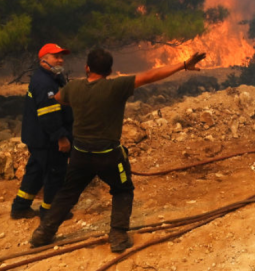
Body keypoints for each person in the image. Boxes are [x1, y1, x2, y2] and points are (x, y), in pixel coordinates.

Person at [30, 47, 206, 252]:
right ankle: (118, 235)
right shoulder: (116, 87)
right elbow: (150, 76)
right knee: (123, 190)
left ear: (87, 68)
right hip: (108, 155)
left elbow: (59, 97)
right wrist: (183, 65)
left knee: (68, 192)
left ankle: (44, 233)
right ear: (110, 71)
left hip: (80, 154)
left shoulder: (74, 88)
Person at [10, 43, 75, 220]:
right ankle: (51, 212)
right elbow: (49, 115)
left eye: (62, 56)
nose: (60, 59)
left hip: (37, 137)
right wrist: (61, 137)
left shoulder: (51, 77)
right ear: (44, 59)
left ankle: (20, 207)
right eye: (56, 56)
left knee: (36, 171)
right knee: (56, 172)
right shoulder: (45, 82)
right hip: (47, 139)